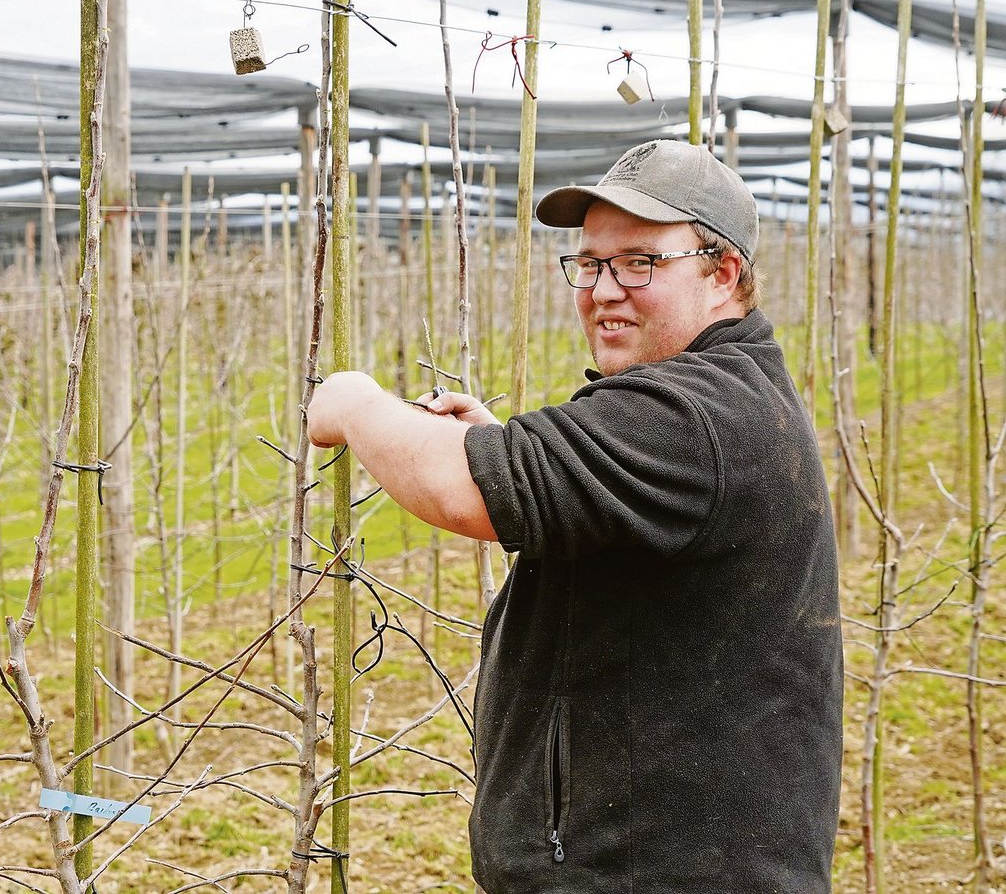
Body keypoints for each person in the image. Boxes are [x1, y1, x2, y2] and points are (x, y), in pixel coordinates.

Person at [306, 139, 842, 893]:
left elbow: (461, 491)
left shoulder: (695, 415)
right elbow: (602, 505)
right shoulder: (725, 398)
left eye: (639, 262)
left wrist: (356, 403)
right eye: (590, 264)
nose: (604, 288)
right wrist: (505, 448)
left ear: (722, 273)